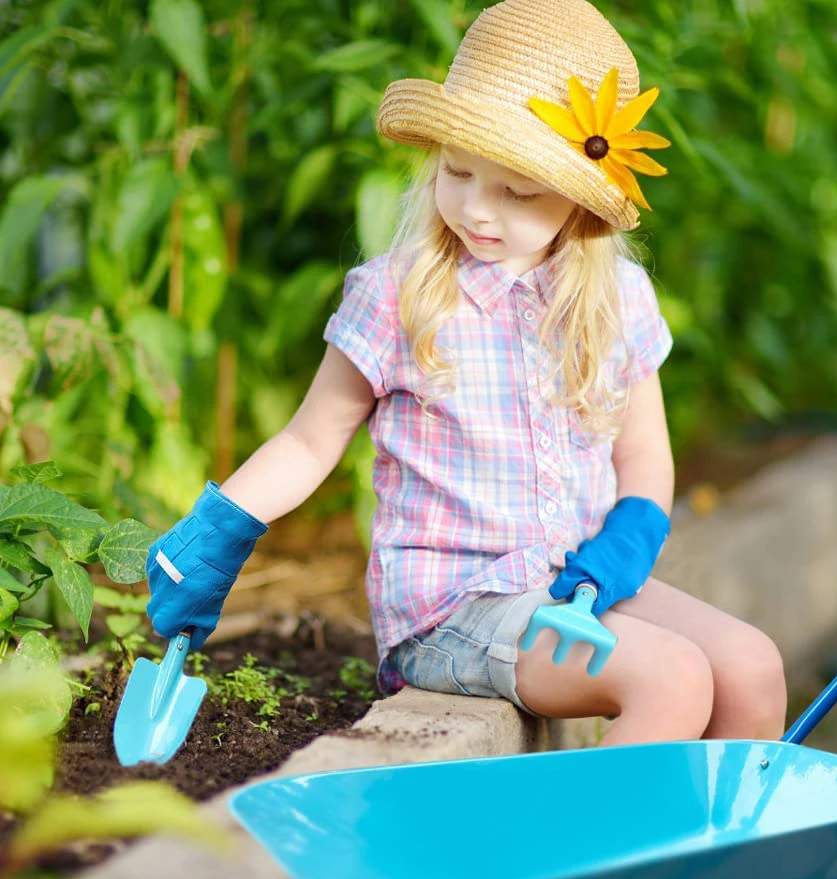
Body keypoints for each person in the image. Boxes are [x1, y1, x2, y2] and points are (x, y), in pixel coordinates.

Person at [145, 0, 786, 747]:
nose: (478, 209)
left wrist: (623, 549)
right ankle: (588, 863)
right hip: (454, 608)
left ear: (580, 205)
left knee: (751, 666)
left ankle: (722, 862)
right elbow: (309, 441)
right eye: (458, 172)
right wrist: (219, 533)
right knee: (670, 677)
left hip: (579, 584)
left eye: (517, 191)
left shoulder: (616, 302)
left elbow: (643, 458)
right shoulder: (400, 295)